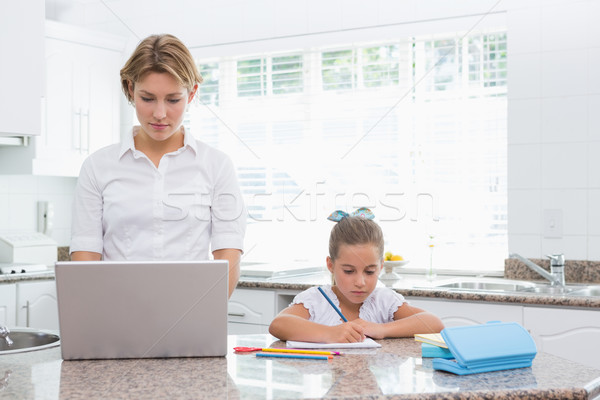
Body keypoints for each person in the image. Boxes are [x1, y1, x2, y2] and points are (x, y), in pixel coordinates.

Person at [70, 34, 246, 297]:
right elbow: (85, 258)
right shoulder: (97, 167)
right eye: (148, 98)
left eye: (173, 100)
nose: (160, 114)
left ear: (192, 93)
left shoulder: (216, 166)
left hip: (191, 316)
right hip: (116, 317)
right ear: (130, 89)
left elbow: (228, 254)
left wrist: (202, 314)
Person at [269, 209, 443, 342]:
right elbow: (279, 324)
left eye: (369, 271)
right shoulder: (316, 299)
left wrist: (382, 329)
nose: (360, 282)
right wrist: (331, 334)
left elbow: (434, 323)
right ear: (331, 265)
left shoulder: (383, 301)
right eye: (349, 271)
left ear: (381, 266)